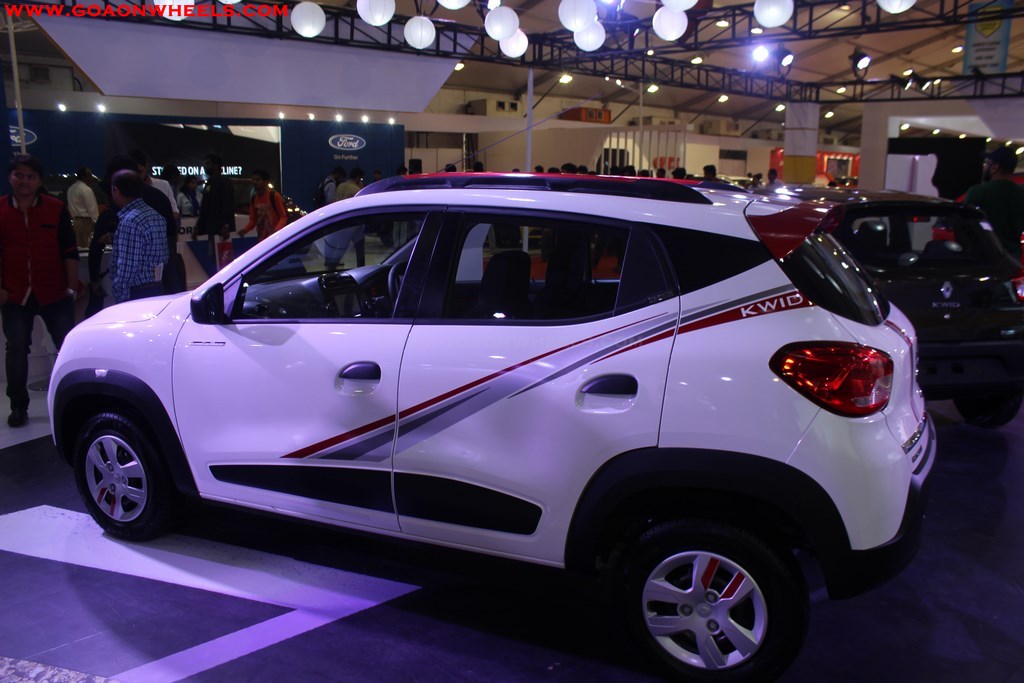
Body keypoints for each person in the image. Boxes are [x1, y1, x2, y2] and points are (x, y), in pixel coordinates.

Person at [0, 154, 81, 427]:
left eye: (30, 176)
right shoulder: (0, 209)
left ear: (39, 180)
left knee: (67, 346)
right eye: (19, 175)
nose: (24, 181)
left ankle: (75, 400)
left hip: (54, 291)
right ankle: (18, 406)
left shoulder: (56, 208)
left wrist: (71, 287)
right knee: (16, 349)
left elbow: (69, 250)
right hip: (14, 293)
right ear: (10, 177)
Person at [108, 170, 168, 303]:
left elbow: (127, 268)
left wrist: (119, 295)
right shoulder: (157, 216)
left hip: (135, 292)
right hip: (156, 286)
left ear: (116, 191)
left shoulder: (131, 221)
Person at [965, 147, 1024, 260]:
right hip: (1012, 260)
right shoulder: (1021, 195)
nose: (984, 167)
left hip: (984, 258)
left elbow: (965, 224)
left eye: (986, 164)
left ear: (994, 168)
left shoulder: (977, 192)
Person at [195, 154, 236, 268]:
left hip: (221, 228)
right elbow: (205, 206)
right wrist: (198, 226)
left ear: (216, 165)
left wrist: (226, 225)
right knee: (214, 258)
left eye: (208, 163)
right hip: (211, 228)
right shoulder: (210, 182)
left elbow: (228, 203)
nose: (205, 166)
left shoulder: (224, 181)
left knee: (224, 259)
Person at [239, 169, 287, 241]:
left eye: (258, 180)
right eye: (253, 180)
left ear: (266, 182)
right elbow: (253, 220)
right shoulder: (254, 199)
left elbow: (283, 217)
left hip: (275, 238)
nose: (255, 182)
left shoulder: (274, 196)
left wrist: (277, 230)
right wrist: (245, 230)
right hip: (262, 238)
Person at [332, 167, 365, 266]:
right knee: (359, 248)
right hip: (355, 223)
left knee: (341, 247)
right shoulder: (356, 189)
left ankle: (332, 265)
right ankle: (361, 267)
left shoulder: (340, 186)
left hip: (341, 221)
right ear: (358, 178)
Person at [66, 166, 99, 249]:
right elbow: (92, 209)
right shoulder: (86, 190)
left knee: (78, 248)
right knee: (87, 248)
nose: (91, 178)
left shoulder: (71, 189)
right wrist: (97, 223)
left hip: (75, 222)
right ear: (84, 177)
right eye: (90, 175)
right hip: (86, 222)